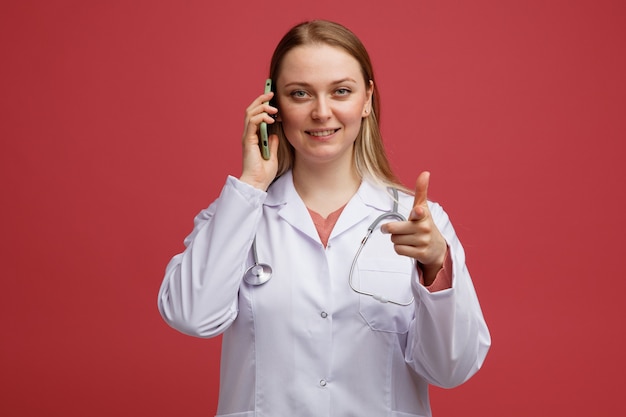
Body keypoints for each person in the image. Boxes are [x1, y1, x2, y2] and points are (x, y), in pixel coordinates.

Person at [158, 20, 490, 417]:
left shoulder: (419, 223)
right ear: (273, 105)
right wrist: (251, 184)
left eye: (341, 91)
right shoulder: (237, 214)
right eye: (300, 94)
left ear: (366, 98)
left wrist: (436, 265)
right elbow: (191, 316)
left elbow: (452, 369)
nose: (321, 112)